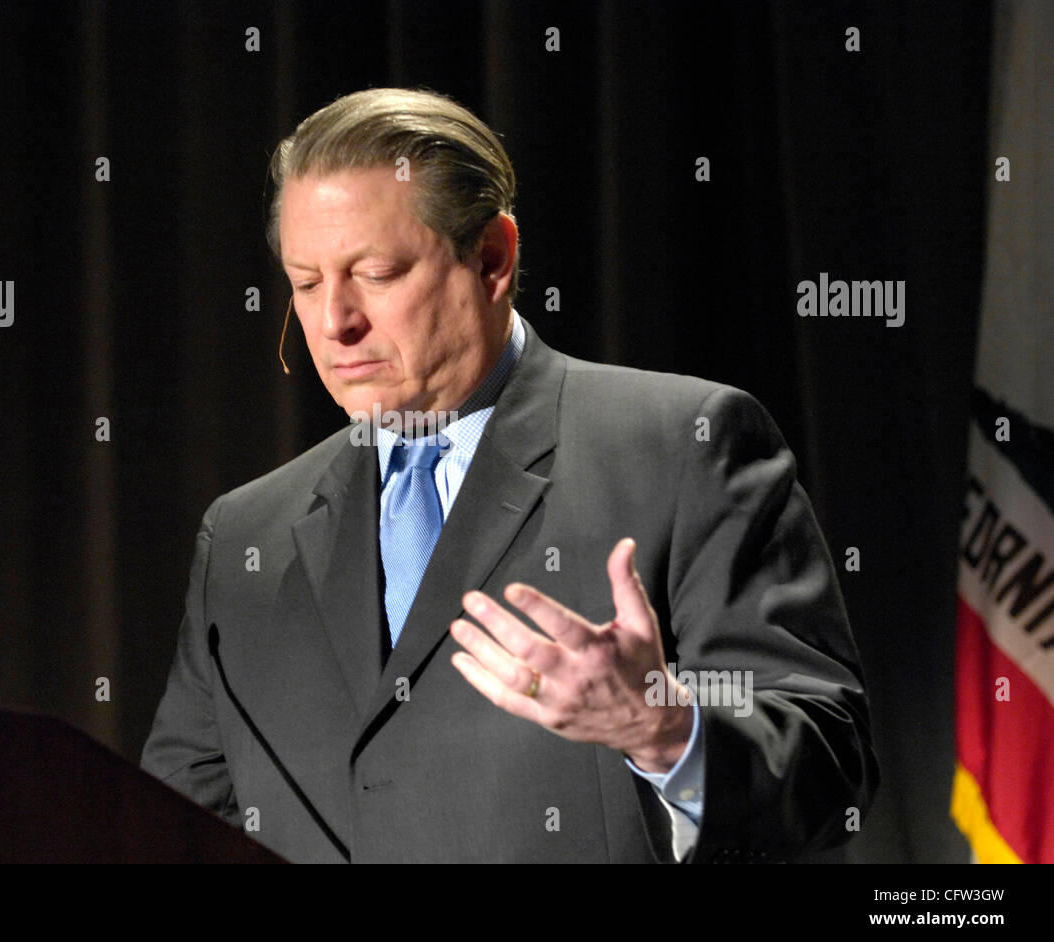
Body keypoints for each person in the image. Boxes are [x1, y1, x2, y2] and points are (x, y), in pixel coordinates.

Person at [142, 87, 878, 863]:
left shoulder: (683, 448)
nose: (335, 322)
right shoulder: (246, 535)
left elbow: (831, 763)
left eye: (377, 272)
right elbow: (168, 823)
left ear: (492, 259)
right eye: (308, 280)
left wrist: (661, 725)